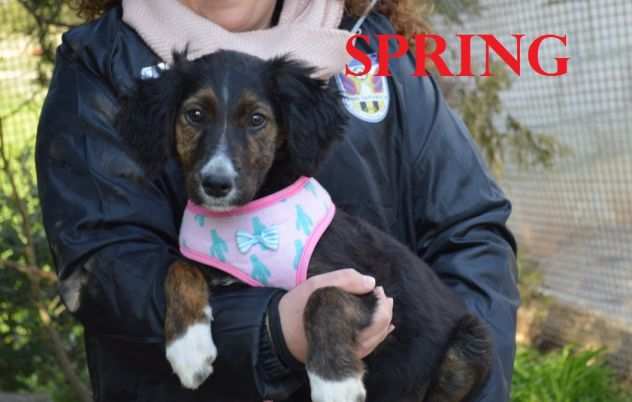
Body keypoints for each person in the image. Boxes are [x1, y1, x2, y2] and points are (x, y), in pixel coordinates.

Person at [35, 0, 519, 401]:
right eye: (197, 117)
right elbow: (106, 265)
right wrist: (271, 335)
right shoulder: (102, 63)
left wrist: (470, 377)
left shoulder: (373, 46)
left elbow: (470, 231)